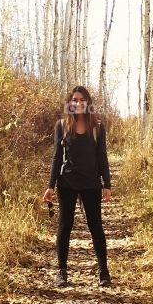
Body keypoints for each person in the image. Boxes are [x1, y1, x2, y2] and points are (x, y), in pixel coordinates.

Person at [41, 85, 112, 288]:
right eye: (74, 100)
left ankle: (104, 272)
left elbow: (102, 157)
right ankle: (62, 272)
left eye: (82, 100)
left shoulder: (97, 127)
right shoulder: (62, 126)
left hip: (91, 184)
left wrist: (106, 184)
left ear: (88, 102)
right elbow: (57, 157)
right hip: (67, 183)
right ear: (69, 103)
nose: (78, 103)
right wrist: (51, 186)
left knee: (95, 226)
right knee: (65, 226)